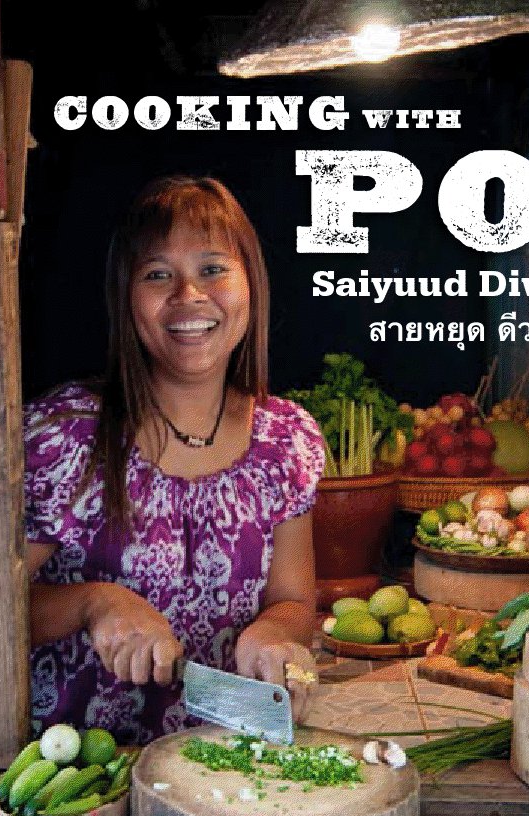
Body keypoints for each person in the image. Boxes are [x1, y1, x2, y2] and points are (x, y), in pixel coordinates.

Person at [24, 175, 324, 744]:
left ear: (250, 285)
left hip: (225, 765)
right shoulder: (62, 439)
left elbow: (293, 599)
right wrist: (94, 603)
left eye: (213, 268)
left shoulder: (286, 441)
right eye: (158, 274)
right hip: (78, 774)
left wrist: (276, 632)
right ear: (126, 297)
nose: (189, 294)